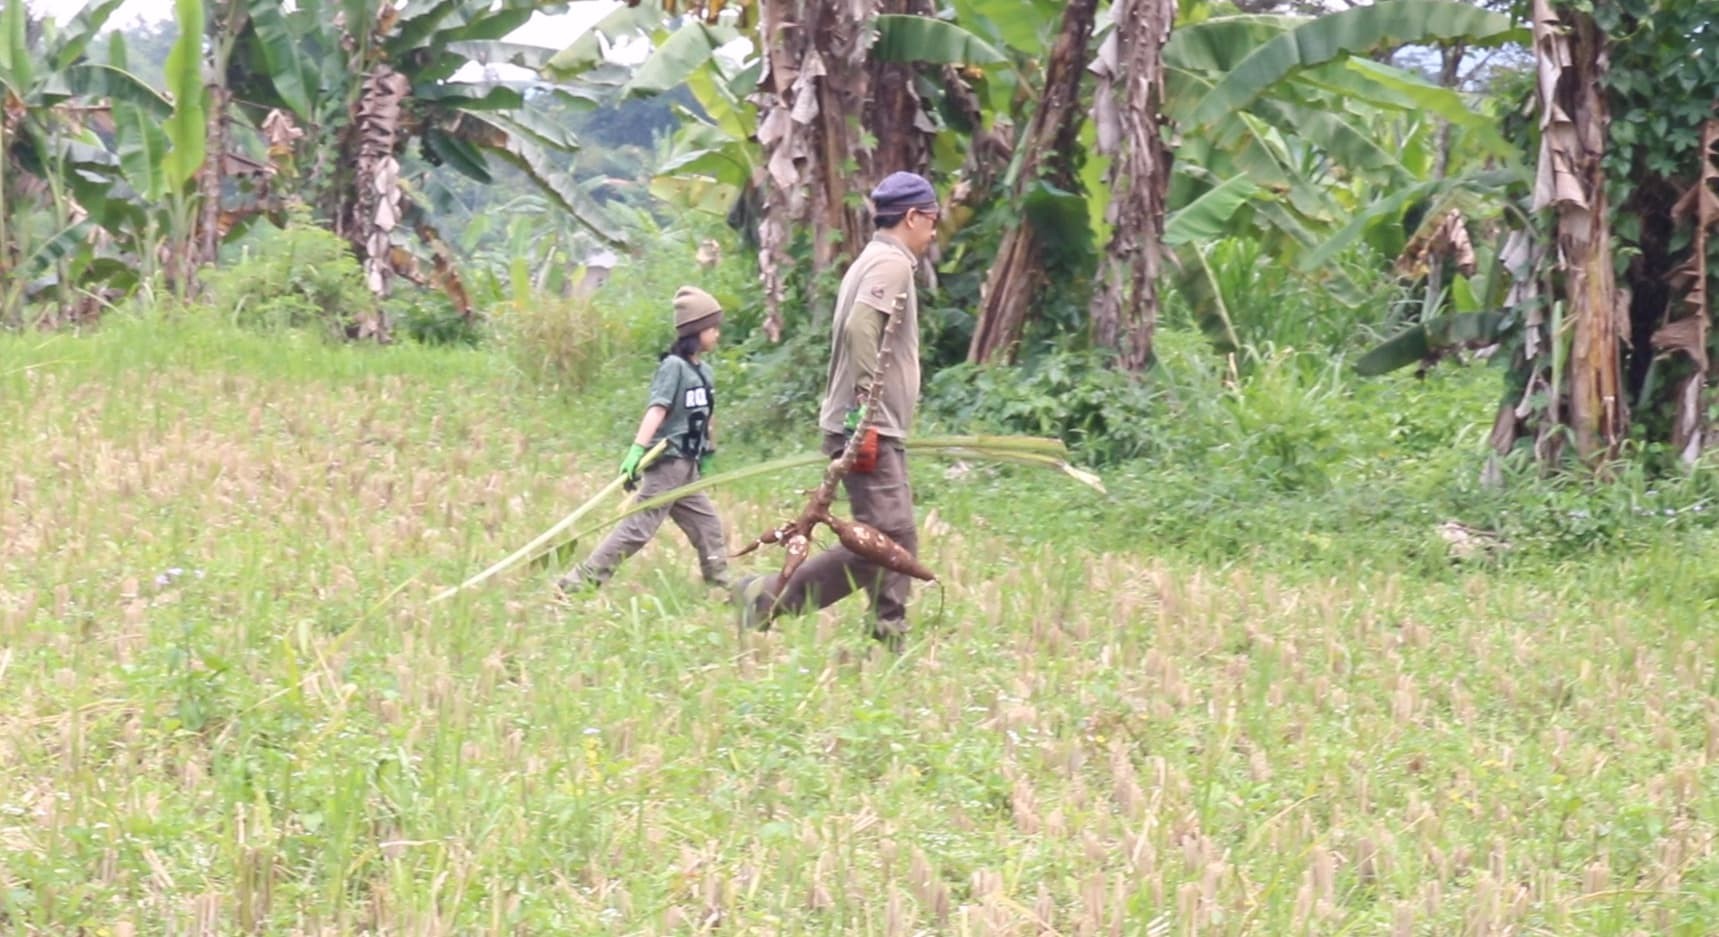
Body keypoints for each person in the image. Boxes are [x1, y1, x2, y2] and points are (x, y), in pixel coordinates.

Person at [733, 171, 940, 647]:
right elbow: (861, 328)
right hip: (869, 426)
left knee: (894, 536)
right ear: (912, 217)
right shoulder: (892, 265)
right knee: (882, 541)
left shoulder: (871, 259)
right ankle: (765, 599)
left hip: (869, 425)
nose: (932, 232)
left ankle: (888, 629)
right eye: (931, 221)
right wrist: (866, 413)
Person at [556, 286, 732, 595]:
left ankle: (720, 583)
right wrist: (637, 450)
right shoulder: (673, 367)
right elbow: (658, 409)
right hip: (667, 463)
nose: (717, 334)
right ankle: (580, 581)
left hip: (688, 466)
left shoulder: (704, 371)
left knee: (708, 525)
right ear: (695, 331)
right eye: (712, 328)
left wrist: (709, 452)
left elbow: (707, 414)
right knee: (637, 528)